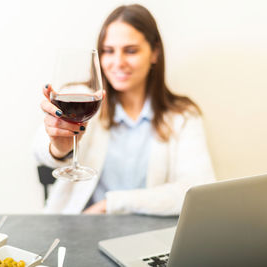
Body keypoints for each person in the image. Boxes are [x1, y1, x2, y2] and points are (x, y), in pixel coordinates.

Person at [34, 4, 215, 215]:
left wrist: (112, 204)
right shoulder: (80, 96)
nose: (118, 63)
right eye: (109, 51)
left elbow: (198, 189)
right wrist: (58, 147)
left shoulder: (182, 115)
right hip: (77, 230)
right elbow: (38, 151)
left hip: (146, 234)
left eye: (130, 51)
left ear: (154, 53)